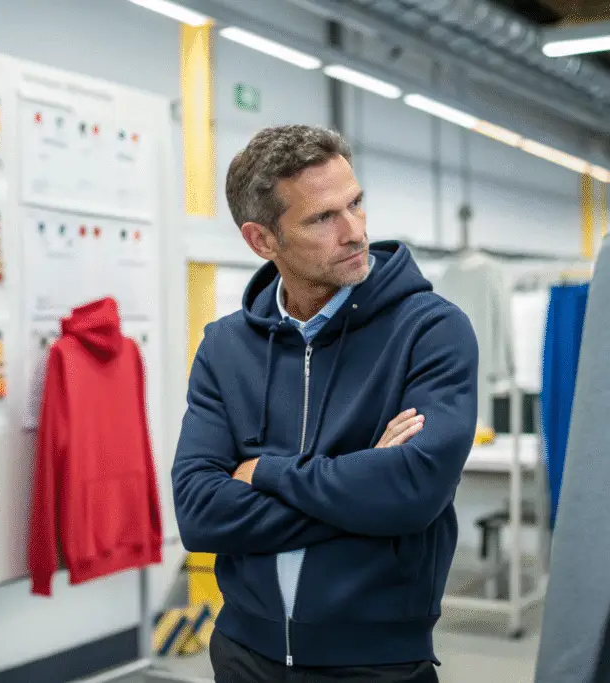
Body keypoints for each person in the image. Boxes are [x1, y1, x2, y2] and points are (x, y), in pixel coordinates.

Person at [171, 124, 479, 682]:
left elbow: (412, 492)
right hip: (244, 655)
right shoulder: (225, 347)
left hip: (377, 662)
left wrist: (264, 472)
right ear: (262, 240)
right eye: (322, 218)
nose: (355, 231)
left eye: (355, 203)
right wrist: (360, 488)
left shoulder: (430, 331)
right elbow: (199, 514)